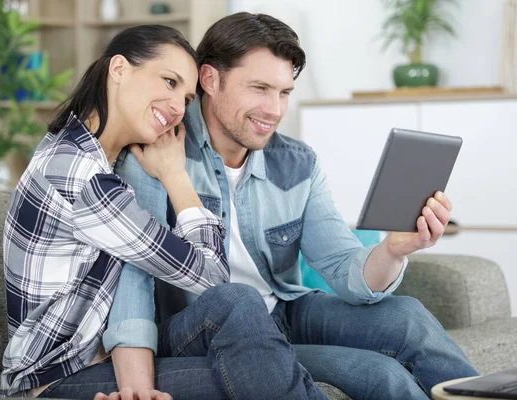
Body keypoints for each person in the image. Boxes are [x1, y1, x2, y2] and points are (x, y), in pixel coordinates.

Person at [108, 12, 479, 400]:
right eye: (260, 88)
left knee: (409, 318)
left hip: (284, 312)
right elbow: (135, 276)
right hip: (205, 328)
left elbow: (342, 266)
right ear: (210, 80)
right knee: (379, 374)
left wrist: (393, 250)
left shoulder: (298, 163)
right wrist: (137, 386)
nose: (274, 110)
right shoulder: (157, 153)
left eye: (284, 92)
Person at [0, 24, 322, 400]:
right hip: (55, 380)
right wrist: (174, 175)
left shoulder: (86, 154)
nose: (176, 109)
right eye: (169, 82)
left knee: (252, 339)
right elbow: (212, 275)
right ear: (118, 70)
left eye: (186, 98)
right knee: (251, 341)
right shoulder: (80, 175)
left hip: (102, 360)